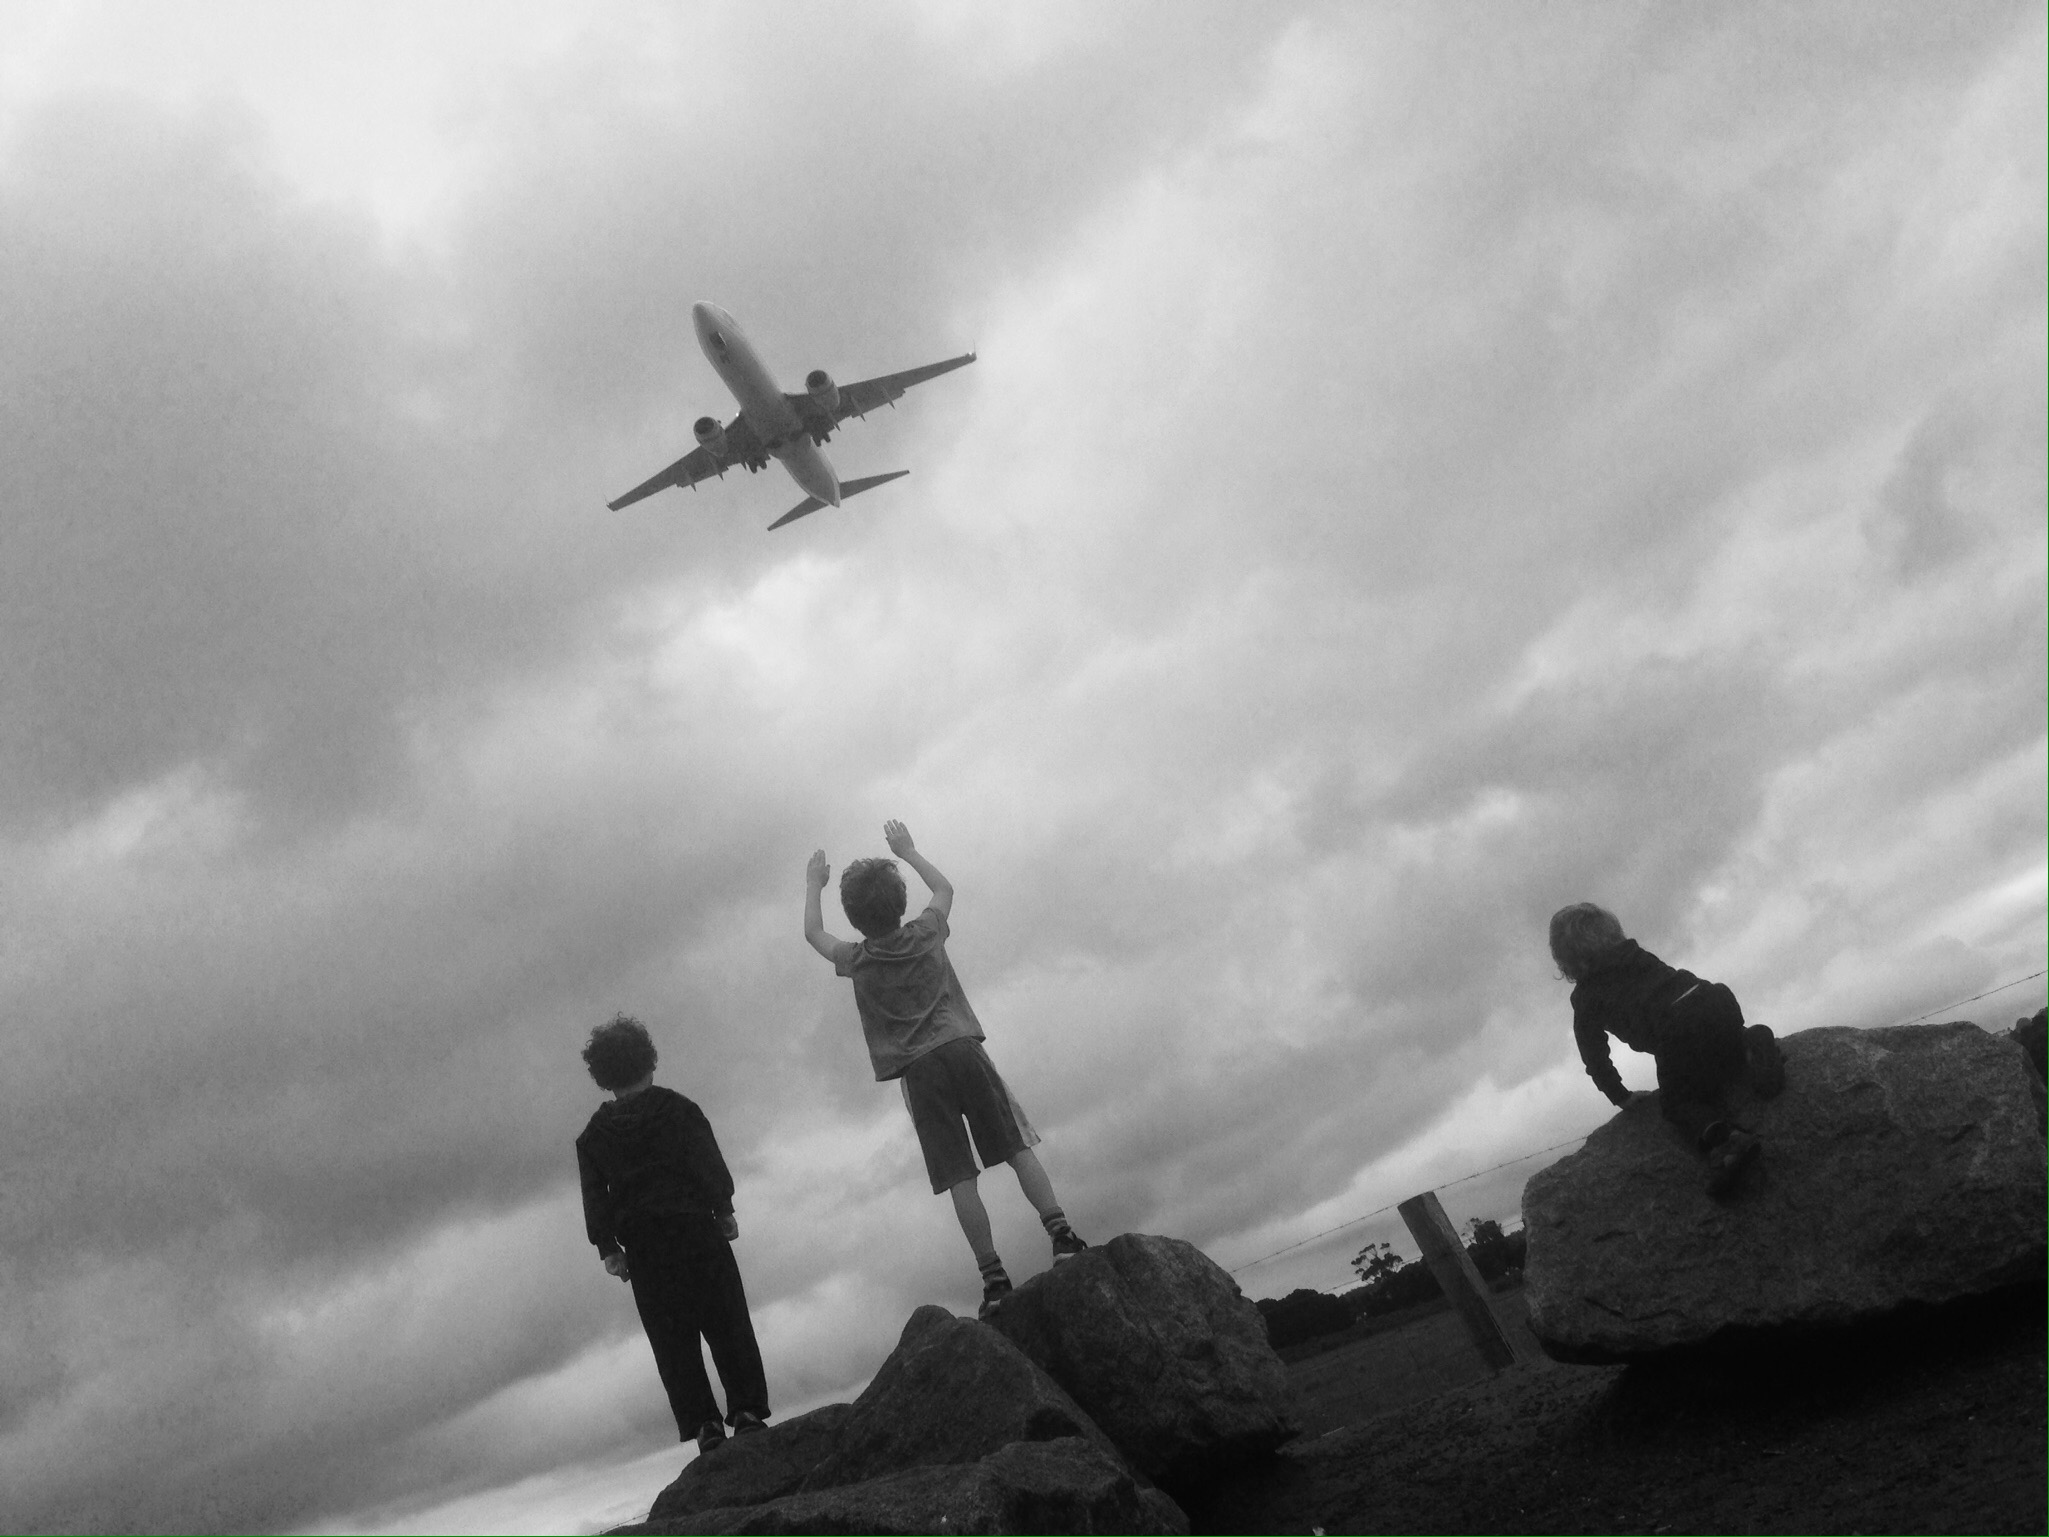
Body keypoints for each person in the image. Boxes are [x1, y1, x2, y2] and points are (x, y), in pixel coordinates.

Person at [804, 819, 1087, 1320]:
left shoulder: (857, 959)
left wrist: (813, 884)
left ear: (855, 916)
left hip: (918, 1073)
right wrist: (908, 851)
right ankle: (1061, 1234)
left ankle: (994, 1279)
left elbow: (813, 934)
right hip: (962, 1049)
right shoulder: (928, 931)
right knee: (1015, 1146)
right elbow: (944, 889)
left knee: (959, 1175)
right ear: (898, 902)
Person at [575, 1014, 770, 1457]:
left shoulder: (593, 1136)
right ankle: (746, 1411)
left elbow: (595, 1196)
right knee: (727, 1321)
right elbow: (707, 1161)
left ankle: (704, 1425)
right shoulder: (680, 1109)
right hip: (696, 1228)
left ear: (602, 1074)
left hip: (645, 1245)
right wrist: (724, 1208)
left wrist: (609, 1248)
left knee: (671, 1340)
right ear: (649, 1060)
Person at [1548, 903, 1785, 1197]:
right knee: (1719, 1050)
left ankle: (1727, 1143)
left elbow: (1593, 1055)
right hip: (1713, 998)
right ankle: (1751, 1042)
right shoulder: (1636, 954)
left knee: (1677, 1103)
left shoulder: (1585, 998)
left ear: (1565, 959)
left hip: (1676, 1028)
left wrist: (1620, 1095)